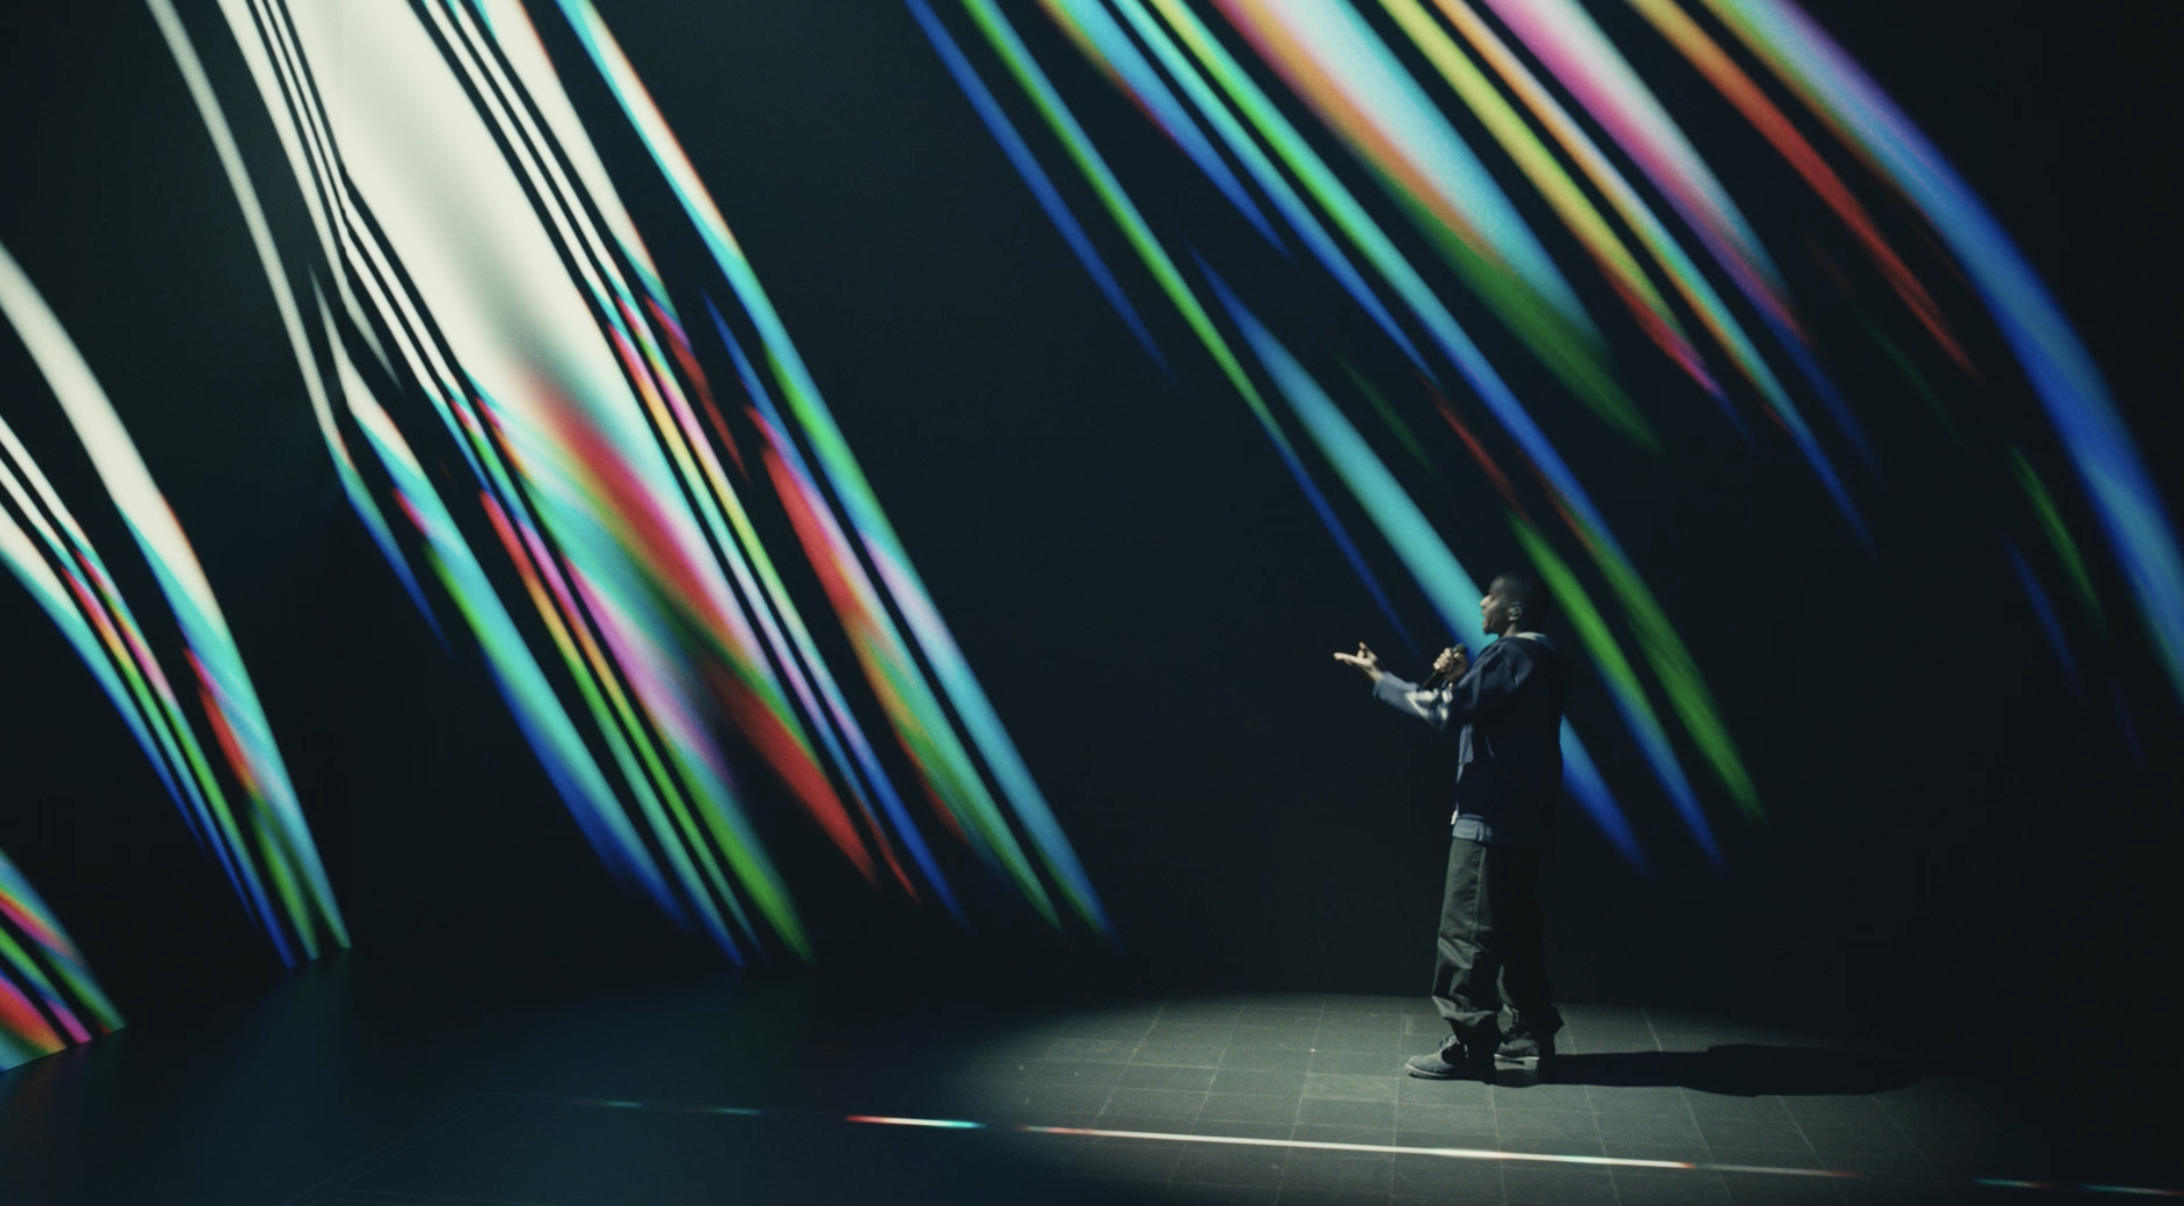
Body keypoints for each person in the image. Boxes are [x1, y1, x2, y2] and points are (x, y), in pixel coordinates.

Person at [1333, 571, 1569, 1080]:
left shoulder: (1511, 655)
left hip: (1490, 819)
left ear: (1514, 612)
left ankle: (1471, 1043)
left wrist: (1381, 678)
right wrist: (1464, 677)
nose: (1481, 601)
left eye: (1491, 595)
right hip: (1527, 817)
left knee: (1466, 934)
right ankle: (1531, 1028)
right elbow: (1493, 717)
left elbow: (1444, 713)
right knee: (1516, 929)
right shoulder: (1543, 659)